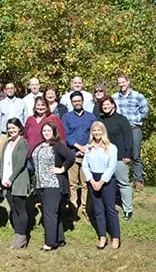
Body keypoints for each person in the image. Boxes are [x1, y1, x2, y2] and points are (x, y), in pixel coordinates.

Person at [31, 122, 74, 251]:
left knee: (49, 214)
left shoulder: (57, 146)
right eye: (44, 131)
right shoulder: (39, 146)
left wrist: (62, 169)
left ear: (54, 132)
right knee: (52, 213)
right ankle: (59, 238)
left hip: (53, 184)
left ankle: (50, 243)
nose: (46, 133)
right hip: (41, 184)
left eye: (49, 130)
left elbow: (70, 157)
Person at [81, 121, 120, 250]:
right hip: (93, 179)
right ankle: (102, 236)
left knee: (110, 210)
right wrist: (91, 181)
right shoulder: (89, 147)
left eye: (99, 131)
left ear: (103, 132)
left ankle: (115, 237)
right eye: (94, 131)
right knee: (98, 211)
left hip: (106, 180)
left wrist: (102, 181)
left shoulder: (111, 147)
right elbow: (85, 165)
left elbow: (112, 166)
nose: (96, 133)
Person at [98, 97, 134, 221]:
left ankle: (128, 210)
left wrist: (128, 154)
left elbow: (128, 137)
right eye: (103, 105)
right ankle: (107, 208)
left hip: (120, 157)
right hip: (104, 157)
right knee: (106, 183)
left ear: (113, 105)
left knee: (123, 183)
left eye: (108, 104)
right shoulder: (100, 120)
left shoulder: (121, 120)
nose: (106, 107)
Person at [62, 91, 96, 220]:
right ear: (71, 103)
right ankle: (73, 208)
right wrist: (78, 147)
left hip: (87, 154)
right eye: (74, 101)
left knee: (85, 183)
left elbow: (95, 133)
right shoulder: (66, 117)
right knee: (72, 183)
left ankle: (85, 208)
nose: (77, 103)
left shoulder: (91, 117)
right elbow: (66, 135)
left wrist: (86, 148)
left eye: (79, 100)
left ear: (82, 101)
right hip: (72, 153)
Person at [112, 73, 149, 192]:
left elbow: (145, 112)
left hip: (134, 129)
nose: (121, 84)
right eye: (119, 83)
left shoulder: (138, 96)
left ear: (128, 82)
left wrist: (136, 119)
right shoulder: (115, 97)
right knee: (121, 155)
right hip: (120, 131)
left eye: (123, 82)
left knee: (136, 155)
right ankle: (122, 180)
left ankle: (138, 181)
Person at [0, 118, 30, 249]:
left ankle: (22, 236)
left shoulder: (22, 142)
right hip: (6, 181)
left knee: (20, 209)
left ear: (19, 128)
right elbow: (3, 162)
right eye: (9, 128)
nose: (11, 130)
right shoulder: (7, 144)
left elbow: (20, 164)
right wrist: (2, 178)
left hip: (18, 180)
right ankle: (17, 234)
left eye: (14, 128)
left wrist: (11, 179)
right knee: (13, 209)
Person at [0, 82, 28, 150]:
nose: (10, 90)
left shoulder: (22, 102)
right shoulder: (0, 104)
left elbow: (26, 120)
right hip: (5, 135)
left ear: (15, 89)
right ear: (4, 90)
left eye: (12, 88)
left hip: (19, 135)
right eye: (8, 88)